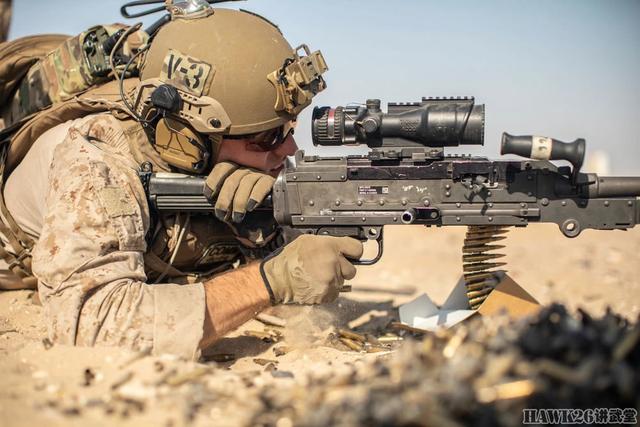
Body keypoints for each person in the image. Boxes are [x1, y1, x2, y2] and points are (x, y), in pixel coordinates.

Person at [0, 3, 362, 359]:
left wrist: (262, 238)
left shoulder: (230, 165)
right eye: (266, 137)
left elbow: (292, 304)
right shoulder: (97, 160)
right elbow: (93, 326)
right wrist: (268, 279)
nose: (289, 148)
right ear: (187, 137)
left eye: (288, 128)